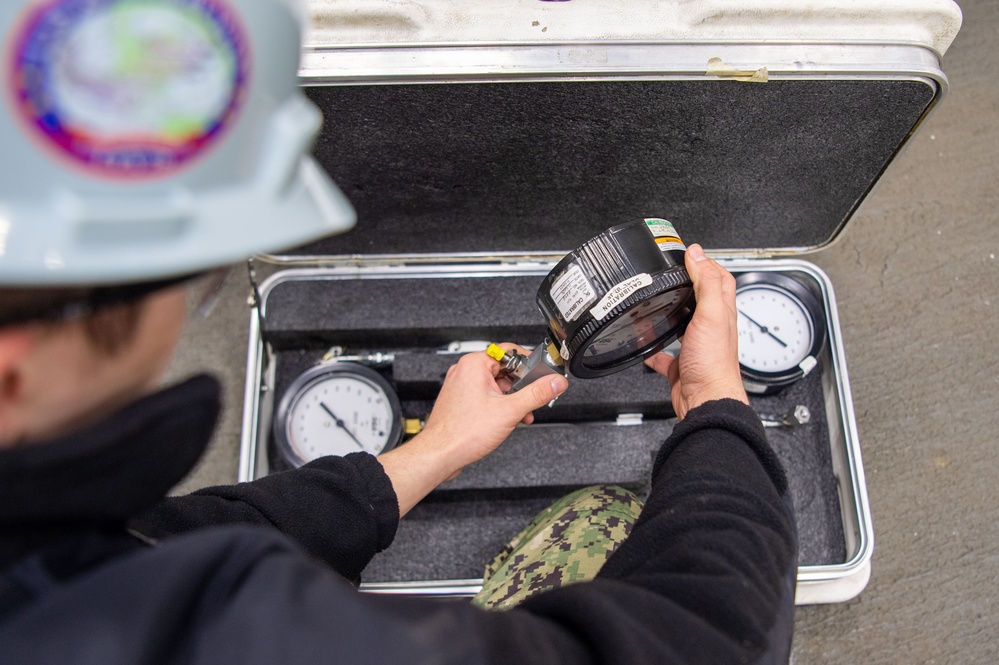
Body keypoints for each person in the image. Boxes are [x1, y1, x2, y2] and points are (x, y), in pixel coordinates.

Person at [0, 1, 796, 662]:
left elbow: (169, 540)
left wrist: (431, 450)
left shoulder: (57, 566)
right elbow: (710, 636)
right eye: (194, 276)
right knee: (607, 517)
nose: (191, 298)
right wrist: (715, 402)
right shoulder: (224, 634)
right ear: (12, 368)